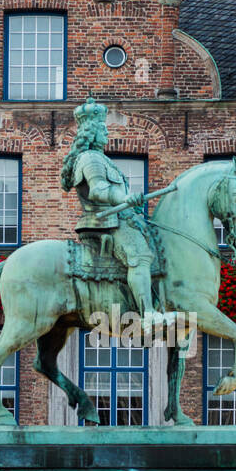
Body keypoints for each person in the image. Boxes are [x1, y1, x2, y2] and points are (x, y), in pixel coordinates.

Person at [60, 97, 165, 326]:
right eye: (103, 129)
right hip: (105, 223)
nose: (106, 134)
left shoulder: (102, 159)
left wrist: (132, 204)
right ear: (92, 132)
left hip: (120, 219)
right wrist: (125, 198)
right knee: (139, 257)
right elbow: (98, 190)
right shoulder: (90, 159)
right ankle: (148, 314)